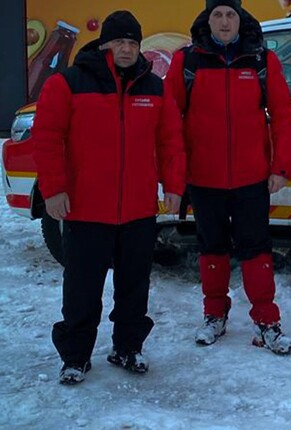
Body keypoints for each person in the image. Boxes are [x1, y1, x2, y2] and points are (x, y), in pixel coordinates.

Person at [32, 11, 186, 384]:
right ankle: (75, 356)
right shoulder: (68, 83)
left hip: (137, 209)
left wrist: (175, 187)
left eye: (133, 43)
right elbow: (48, 139)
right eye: (120, 42)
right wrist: (53, 191)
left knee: (134, 286)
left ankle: (127, 347)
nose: (127, 49)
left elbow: (170, 142)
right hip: (87, 208)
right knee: (82, 289)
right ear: (104, 44)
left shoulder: (153, 86)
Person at [164, 0, 291, 354]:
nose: (224, 22)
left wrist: (280, 167)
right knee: (212, 247)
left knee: (256, 249)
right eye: (217, 15)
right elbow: (169, 122)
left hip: (252, 178)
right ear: (207, 21)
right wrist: (175, 180)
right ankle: (214, 315)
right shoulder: (187, 61)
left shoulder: (260, 60)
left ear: (241, 19)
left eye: (230, 14)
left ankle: (267, 321)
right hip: (204, 178)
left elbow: (283, 116)